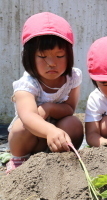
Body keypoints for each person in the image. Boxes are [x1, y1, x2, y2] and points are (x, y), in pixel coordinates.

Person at [6, 12, 84, 173]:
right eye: (42, 56)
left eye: (59, 55)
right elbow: (28, 117)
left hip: (56, 137)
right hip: (28, 139)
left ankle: (60, 159)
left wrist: (48, 108)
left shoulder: (73, 77)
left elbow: (69, 109)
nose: (51, 63)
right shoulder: (27, 84)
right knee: (21, 126)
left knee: (74, 123)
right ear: (29, 57)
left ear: (69, 54)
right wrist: (49, 130)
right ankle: (19, 159)